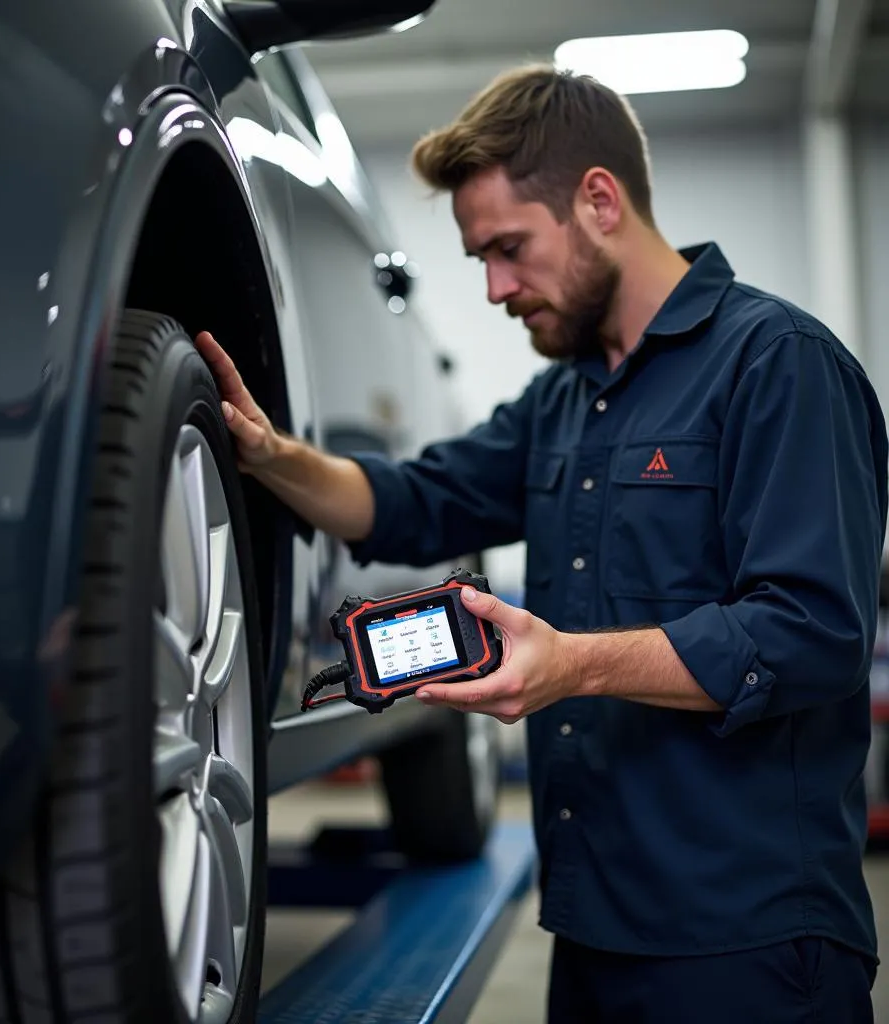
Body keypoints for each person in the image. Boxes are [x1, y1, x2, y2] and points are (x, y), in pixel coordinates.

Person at [196, 64, 888, 1022]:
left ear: (599, 201)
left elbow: (812, 631)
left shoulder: (779, 365)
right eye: (481, 257)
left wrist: (572, 665)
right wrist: (273, 457)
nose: (493, 288)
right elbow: (411, 501)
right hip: (592, 931)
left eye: (508, 249)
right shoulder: (561, 401)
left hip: (750, 947)